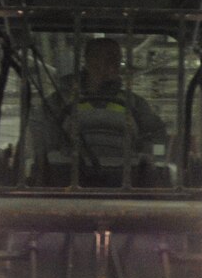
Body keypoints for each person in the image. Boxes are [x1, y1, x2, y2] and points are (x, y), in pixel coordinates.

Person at [31, 38, 168, 186]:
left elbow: (156, 134)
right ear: (89, 60)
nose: (113, 63)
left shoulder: (134, 103)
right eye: (107, 57)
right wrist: (46, 156)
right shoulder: (60, 100)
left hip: (125, 180)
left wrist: (149, 157)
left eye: (116, 58)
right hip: (67, 176)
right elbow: (39, 131)